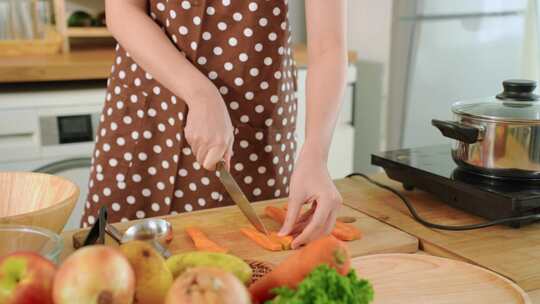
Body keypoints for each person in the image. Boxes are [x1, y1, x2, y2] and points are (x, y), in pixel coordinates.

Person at [82, 0, 347, 249]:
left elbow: (328, 45)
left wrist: (316, 153)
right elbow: (122, 10)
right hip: (148, 112)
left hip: (251, 123)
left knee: (250, 266)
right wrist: (201, 93)